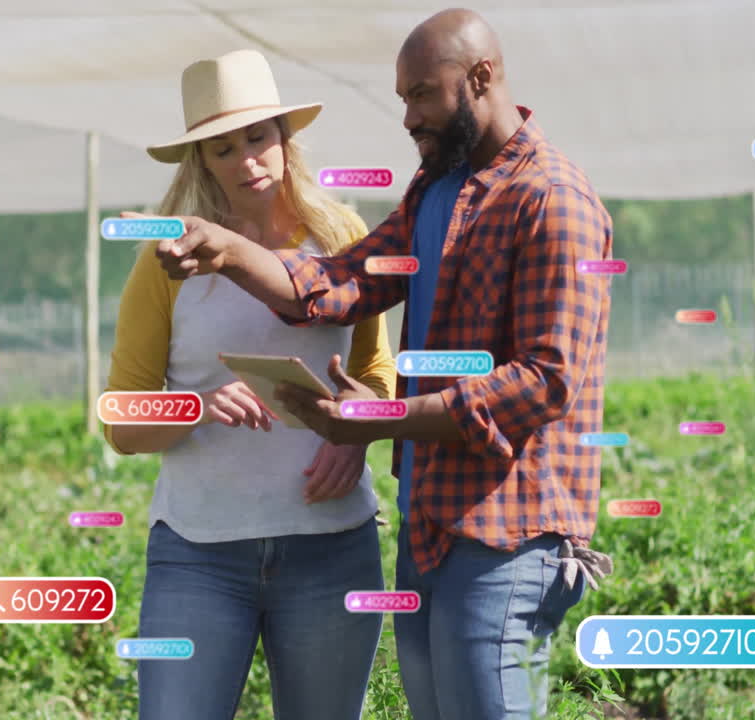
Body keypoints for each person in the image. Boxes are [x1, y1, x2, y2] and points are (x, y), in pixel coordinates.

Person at [145, 10, 614, 720]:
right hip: (432, 524)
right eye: (402, 98)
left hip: (509, 535)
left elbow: (544, 383)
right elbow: (344, 283)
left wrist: (378, 418)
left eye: (421, 94)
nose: (406, 118)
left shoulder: (553, 200)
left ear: (480, 78)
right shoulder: (438, 188)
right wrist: (233, 253)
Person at [102, 49, 397, 720]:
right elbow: (121, 422)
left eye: (258, 137)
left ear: (285, 137)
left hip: (331, 549)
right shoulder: (167, 262)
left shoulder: (341, 236)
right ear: (201, 160)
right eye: (222, 148)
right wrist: (198, 406)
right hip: (198, 557)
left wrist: (356, 438)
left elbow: (377, 374)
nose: (246, 160)